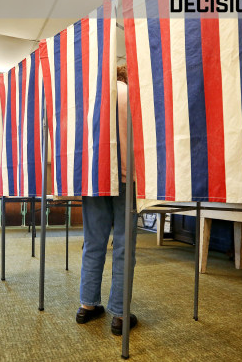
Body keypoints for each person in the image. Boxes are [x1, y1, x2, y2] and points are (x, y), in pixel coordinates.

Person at [76, 65, 138, 336]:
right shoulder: (133, 95)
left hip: (94, 179)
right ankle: (120, 316)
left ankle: (87, 305)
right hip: (127, 177)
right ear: (126, 77)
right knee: (124, 246)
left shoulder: (90, 97)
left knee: (93, 243)